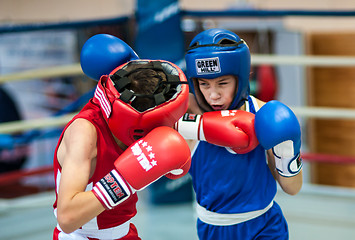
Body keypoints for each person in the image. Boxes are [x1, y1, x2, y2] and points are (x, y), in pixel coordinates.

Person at [52, 34, 193, 239]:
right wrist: (124, 180)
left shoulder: (137, 103)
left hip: (124, 232)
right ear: (138, 127)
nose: (168, 129)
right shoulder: (85, 134)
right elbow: (67, 218)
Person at [182, 28, 303, 239]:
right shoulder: (186, 116)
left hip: (265, 226)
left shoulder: (263, 116)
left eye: (223, 83)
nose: (213, 95)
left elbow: (292, 188)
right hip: (214, 229)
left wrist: (286, 152)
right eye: (204, 84)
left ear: (241, 79)